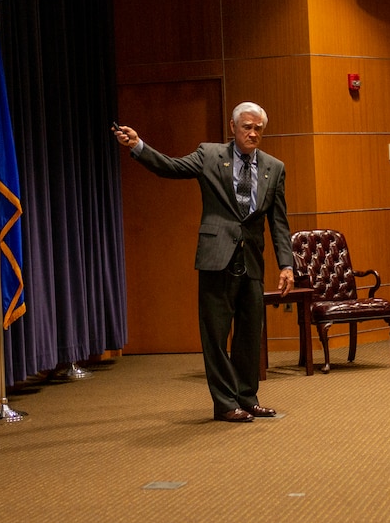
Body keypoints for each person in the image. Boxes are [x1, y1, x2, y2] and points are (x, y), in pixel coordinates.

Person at [114, 102, 295, 422]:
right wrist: (138, 146)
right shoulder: (210, 155)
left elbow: (278, 222)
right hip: (216, 258)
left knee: (250, 335)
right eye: (247, 127)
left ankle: (247, 397)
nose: (252, 133)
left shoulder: (274, 167)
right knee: (215, 334)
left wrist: (286, 265)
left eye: (258, 129)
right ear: (233, 127)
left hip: (252, 260)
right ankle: (225, 403)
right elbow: (170, 167)